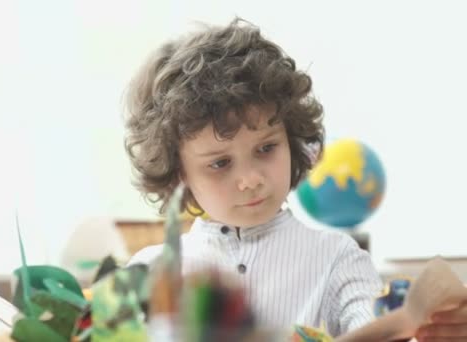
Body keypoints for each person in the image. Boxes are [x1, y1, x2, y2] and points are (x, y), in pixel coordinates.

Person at [122, 17, 467, 340]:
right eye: (220, 163)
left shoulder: (337, 259)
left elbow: (374, 322)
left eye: (266, 148)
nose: (251, 180)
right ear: (179, 171)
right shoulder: (149, 273)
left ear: (291, 137)